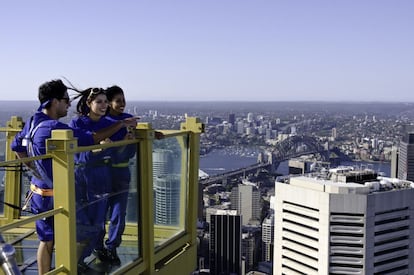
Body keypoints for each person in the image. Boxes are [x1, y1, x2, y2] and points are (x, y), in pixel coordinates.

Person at [11, 79, 138, 275]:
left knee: (46, 240)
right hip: (57, 194)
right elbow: (91, 138)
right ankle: (70, 269)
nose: (68, 104)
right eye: (65, 100)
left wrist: (34, 169)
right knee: (86, 231)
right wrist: (120, 123)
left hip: (38, 191)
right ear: (54, 102)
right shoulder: (54, 127)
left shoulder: (33, 121)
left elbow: (17, 146)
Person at [69, 87, 134, 269]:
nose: (104, 105)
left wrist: (125, 143)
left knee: (97, 220)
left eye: (105, 102)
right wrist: (99, 149)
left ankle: (84, 258)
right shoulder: (77, 124)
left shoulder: (109, 124)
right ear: (89, 103)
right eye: (99, 102)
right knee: (83, 220)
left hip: (102, 175)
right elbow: (78, 154)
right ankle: (78, 260)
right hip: (82, 176)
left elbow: (119, 153)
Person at [92, 85, 136, 265]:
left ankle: (112, 247)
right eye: (118, 100)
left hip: (122, 171)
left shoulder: (129, 120)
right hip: (103, 172)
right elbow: (105, 151)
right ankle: (98, 246)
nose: (122, 104)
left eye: (123, 100)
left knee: (119, 213)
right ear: (109, 103)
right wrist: (121, 143)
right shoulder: (103, 123)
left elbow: (130, 149)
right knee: (100, 211)